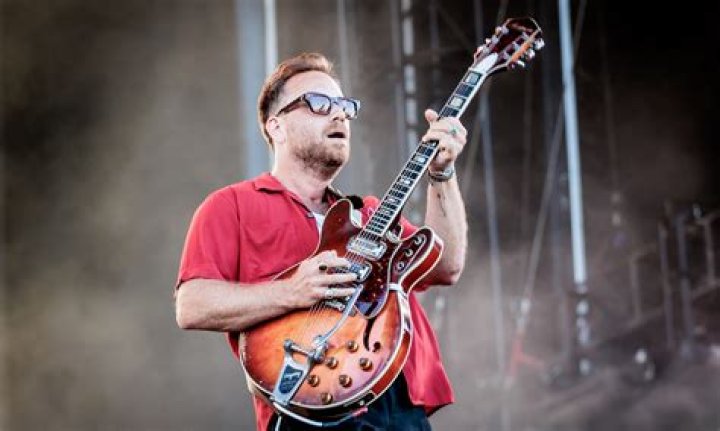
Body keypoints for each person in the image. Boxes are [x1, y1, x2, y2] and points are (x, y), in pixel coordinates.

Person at [175, 52, 469, 431]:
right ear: (276, 126)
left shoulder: (371, 213)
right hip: (309, 403)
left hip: (399, 402)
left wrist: (442, 174)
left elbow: (446, 266)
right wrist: (291, 291)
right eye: (319, 104)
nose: (339, 115)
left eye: (345, 106)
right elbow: (192, 305)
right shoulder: (231, 205)